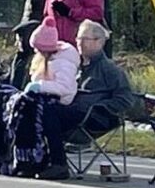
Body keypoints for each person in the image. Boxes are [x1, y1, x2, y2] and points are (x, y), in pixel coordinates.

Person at [9, 22, 80, 180]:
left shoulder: (63, 63)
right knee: (27, 110)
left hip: (63, 106)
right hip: (48, 102)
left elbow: (65, 89)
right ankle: (28, 161)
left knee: (47, 114)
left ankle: (58, 163)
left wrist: (39, 86)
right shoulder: (45, 61)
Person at [55, 19, 139, 150]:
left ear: (99, 42)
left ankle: (54, 159)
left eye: (84, 39)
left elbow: (126, 99)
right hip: (72, 113)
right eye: (78, 38)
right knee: (37, 108)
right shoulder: (76, 66)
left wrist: (98, 107)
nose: (79, 43)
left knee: (47, 113)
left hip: (93, 119)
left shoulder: (109, 69)